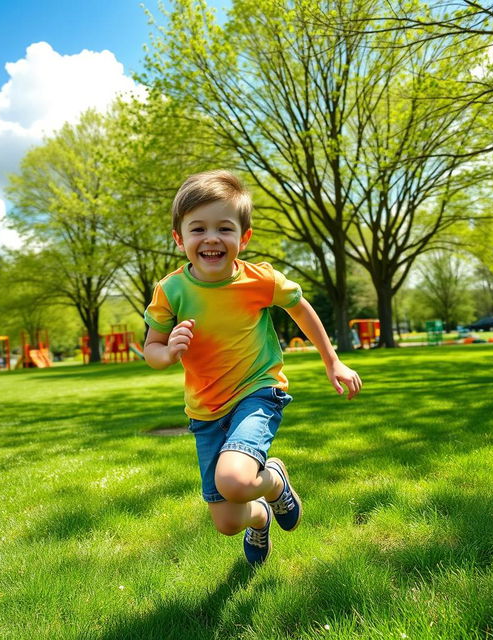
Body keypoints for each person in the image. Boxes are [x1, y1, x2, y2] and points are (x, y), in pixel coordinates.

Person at [144, 170, 362, 566]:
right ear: (180, 239)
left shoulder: (260, 280)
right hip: (206, 411)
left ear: (243, 238)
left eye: (224, 228)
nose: (211, 238)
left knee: (235, 479)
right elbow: (152, 350)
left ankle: (273, 481)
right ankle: (261, 515)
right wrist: (168, 351)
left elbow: (301, 310)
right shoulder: (171, 290)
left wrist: (333, 361)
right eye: (198, 229)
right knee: (228, 521)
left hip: (258, 392)